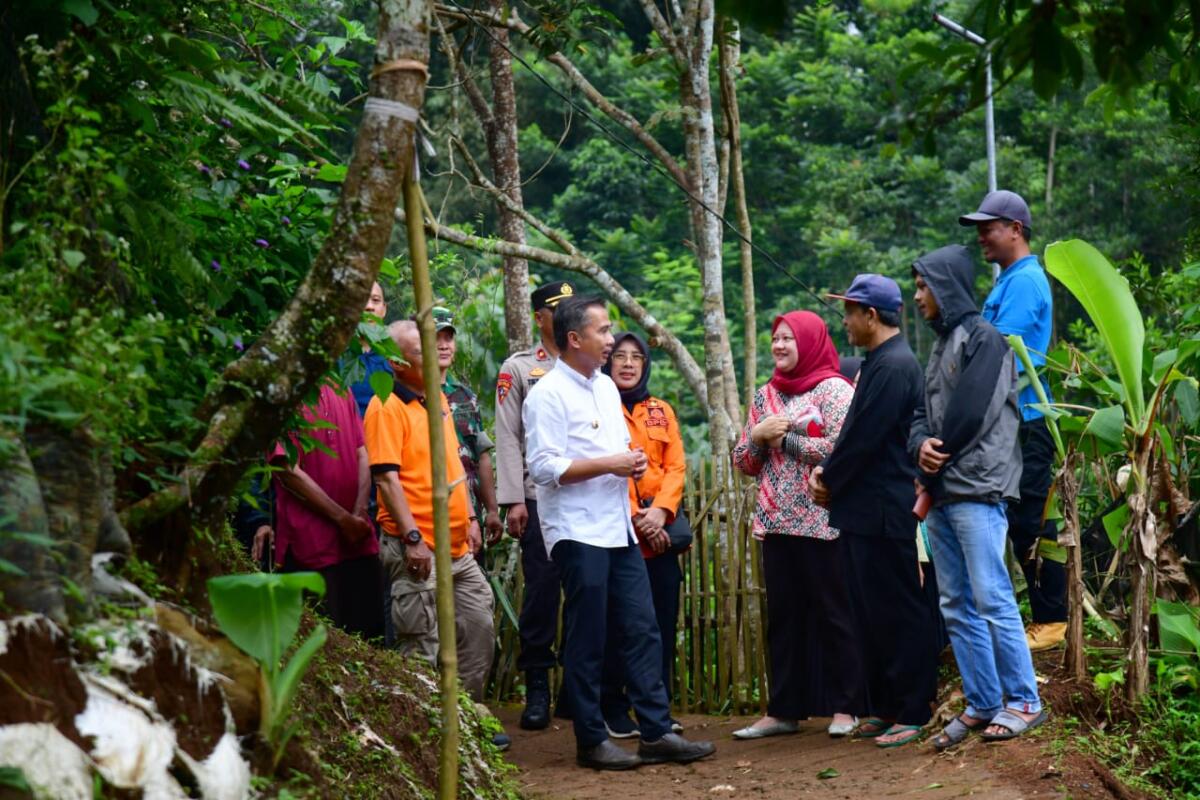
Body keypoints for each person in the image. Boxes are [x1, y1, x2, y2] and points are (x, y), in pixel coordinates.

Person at [524, 296, 716, 770]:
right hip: (576, 529)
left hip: (618, 529)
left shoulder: (606, 388)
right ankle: (591, 739)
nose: (611, 340)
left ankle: (656, 731)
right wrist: (610, 463)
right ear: (575, 339)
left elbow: (622, 457)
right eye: (604, 331)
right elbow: (543, 468)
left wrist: (630, 464)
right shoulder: (547, 394)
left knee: (642, 628)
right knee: (589, 636)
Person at [909, 245, 1046, 748]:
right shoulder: (941, 344)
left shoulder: (985, 338)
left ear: (945, 286)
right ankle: (983, 701)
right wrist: (919, 446)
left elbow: (971, 412)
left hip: (977, 488)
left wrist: (934, 455)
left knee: (991, 595)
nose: (917, 296)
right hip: (944, 490)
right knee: (955, 601)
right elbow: (920, 413)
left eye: (923, 286)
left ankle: (1025, 701)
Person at [809, 275, 938, 748]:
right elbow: (853, 435)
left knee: (899, 611)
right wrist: (829, 475)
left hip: (886, 510)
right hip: (863, 512)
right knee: (870, 613)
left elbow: (864, 440)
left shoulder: (895, 366)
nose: (844, 321)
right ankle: (885, 705)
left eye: (850, 312)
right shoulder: (877, 362)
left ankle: (914, 709)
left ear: (870, 315)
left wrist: (828, 478)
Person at [731, 311, 863, 740]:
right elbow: (743, 462)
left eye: (788, 338)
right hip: (776, 522)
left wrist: (784, 440)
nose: (779, 345)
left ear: (809, 341)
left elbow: (843, 448)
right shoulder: (764, 396)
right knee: (784, 619)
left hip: (823, 520)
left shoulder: (835, 389)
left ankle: (846, 707)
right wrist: (757, 437)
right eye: (775, 338)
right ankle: (783, 710)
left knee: (834, 614)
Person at [364, 321, 496, 701]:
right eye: (421, 349)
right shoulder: (386, 405)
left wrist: (470, 518)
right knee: (420, 645)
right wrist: (412, 539)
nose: (435, 351)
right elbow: (386, 479)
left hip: (457, 547)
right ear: (396, 362)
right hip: (417, 547)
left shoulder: (436, 397)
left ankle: (466, 718)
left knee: (478, 627)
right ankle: (426, 727)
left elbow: (454, 463)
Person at [959, 190, 1065, 652]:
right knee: (1020, 518)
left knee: (1033, 518)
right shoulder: (1009, 280)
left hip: (1027, 418)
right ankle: (1041, 614)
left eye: (989, 228)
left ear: (1016, 230)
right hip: (1010, 419)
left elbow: (1003, 356)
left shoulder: (1024, 283)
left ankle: (1053, 620)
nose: (981, 236)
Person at [598, 332, 687, 738]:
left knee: (660, 627)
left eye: (636, 357)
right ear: (607, 361)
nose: (628, 364)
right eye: (620, 356)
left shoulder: (661, 410)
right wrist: (638, 519)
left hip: (661, 535)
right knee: (617, 626)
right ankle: (613, 708)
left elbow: (676, 468)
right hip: (620, 535)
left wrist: (660, 512)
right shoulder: (599, 407)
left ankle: (657, 710)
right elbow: (603, 468)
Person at [494, 280, 571, 729]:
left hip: (583, 494)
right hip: (537, 496)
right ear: (540, 317)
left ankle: (576, 688)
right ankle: (537, 684)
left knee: (585, 590)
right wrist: (512, 501)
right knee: (541, 590)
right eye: (557, 309)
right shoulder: (520, 367)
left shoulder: (587, 363)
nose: (565, 316)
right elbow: (507, 435)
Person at [270, 381, 383, 640]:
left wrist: (358, 513)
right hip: (310, 542)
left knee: (369, 636)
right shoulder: (284, 392)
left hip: (357, 540)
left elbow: (362, 452)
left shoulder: (340, 385)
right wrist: (343, 519)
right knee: (321, 640)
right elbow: (287, 469)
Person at [432, 306, 503, 550]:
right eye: (435, 338)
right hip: (432, 511)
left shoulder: (465, 397)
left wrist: (492, 510)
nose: (443, 346)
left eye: (448, 338)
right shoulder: (411, 397)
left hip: (471, 514)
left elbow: (481, 454)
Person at [350, 281, 394, 418]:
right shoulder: (334, 354)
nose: (369, 307)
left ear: (384, 309)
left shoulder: (395, 356)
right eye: (361, 299)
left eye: (375, 300)